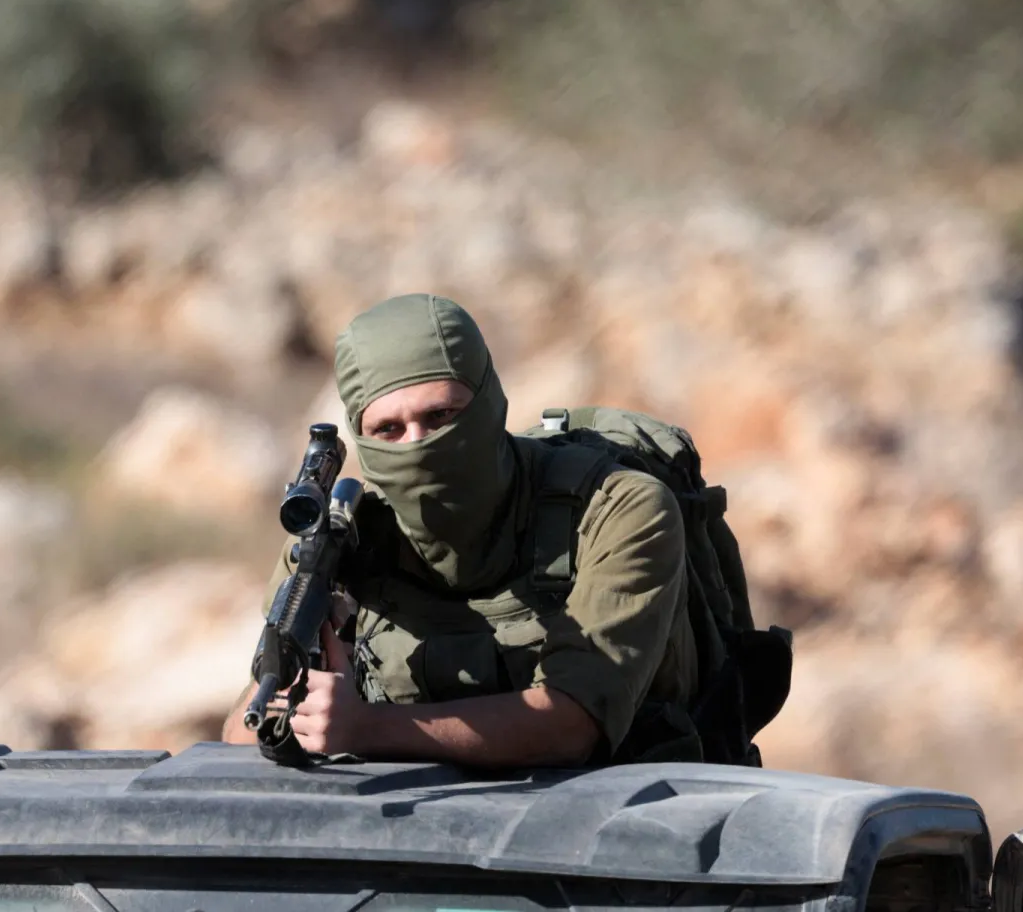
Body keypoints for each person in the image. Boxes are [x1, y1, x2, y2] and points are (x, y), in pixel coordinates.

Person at [222, 292, 700, 768]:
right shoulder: (340, 543)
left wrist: (365, 727)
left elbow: (573, 726)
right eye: (388, 430)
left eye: (441, 416)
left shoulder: (615, 510)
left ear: (489, 401)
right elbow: (242, 729)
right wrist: (298, 702)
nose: (418, 446)